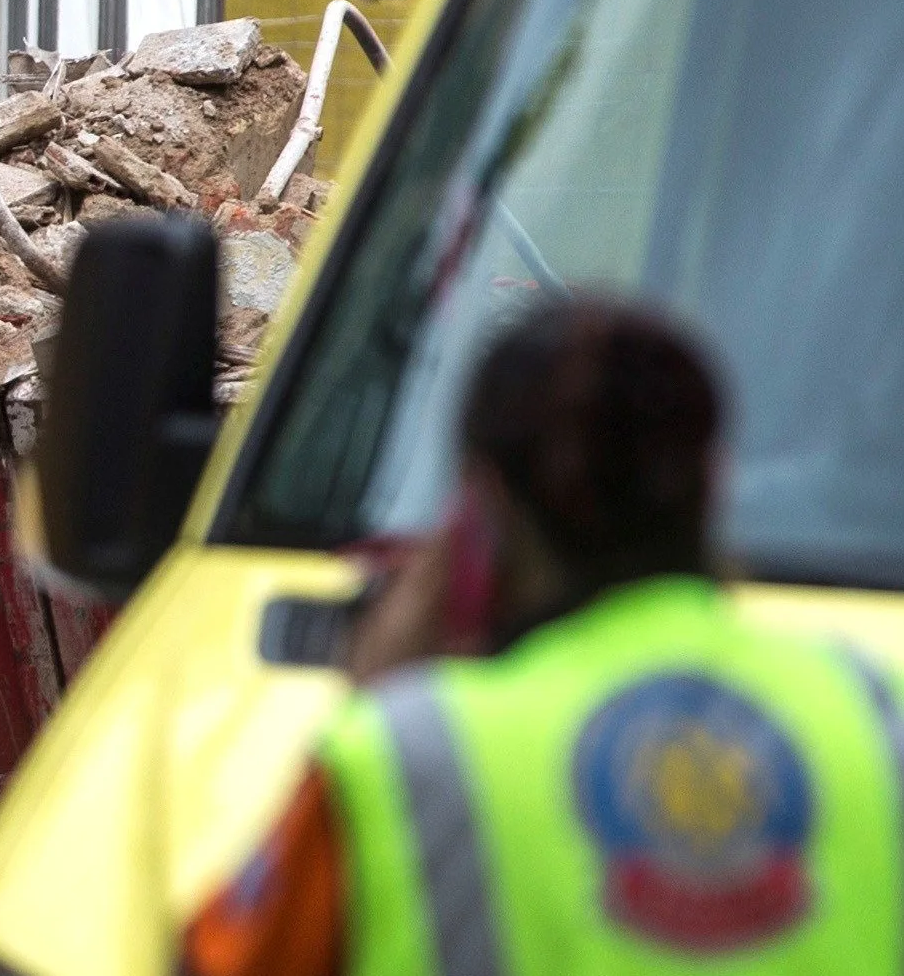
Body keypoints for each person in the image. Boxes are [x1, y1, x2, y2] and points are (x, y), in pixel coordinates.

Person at [183, 300, 904, 976]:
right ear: (714, 483)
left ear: (479, 511)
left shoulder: (402, 759)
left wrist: (371, 696)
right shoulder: (877, 715)